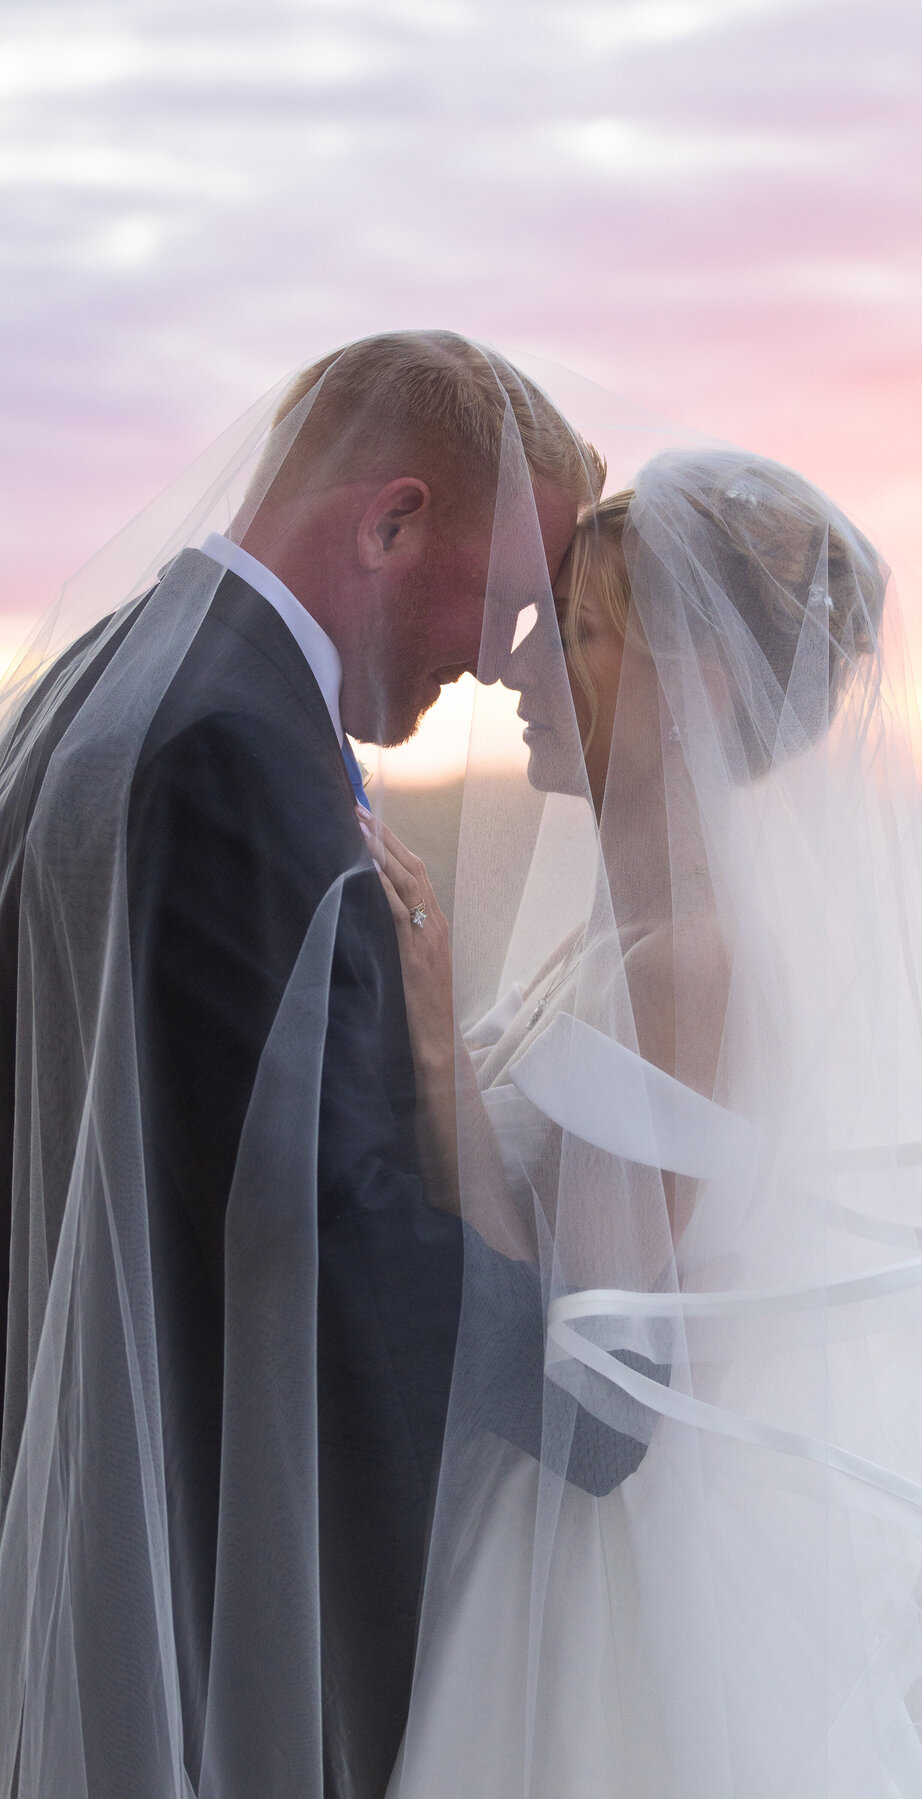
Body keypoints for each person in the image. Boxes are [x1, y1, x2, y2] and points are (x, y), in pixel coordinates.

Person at [372, 451, 922, 1797]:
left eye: (577, 636)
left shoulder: (691, 960)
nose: (518, 672)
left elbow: (589, 1359)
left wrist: (438, 1051)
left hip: (604, 1593)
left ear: (699, 685)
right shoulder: (628, 935)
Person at [0, 332, 627, 1799]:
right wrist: (582, 1390)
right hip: (204, 1542)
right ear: (391, 522)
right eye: (511, 601)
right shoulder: (231, 745)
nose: (508, 660)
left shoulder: (107, 675)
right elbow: (314, 1209)